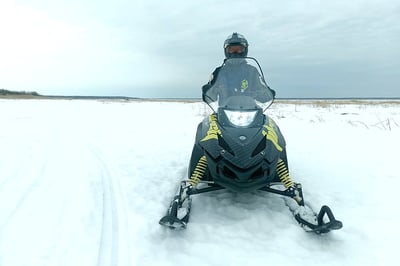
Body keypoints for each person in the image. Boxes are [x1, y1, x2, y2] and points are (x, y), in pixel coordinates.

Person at [202, 32, 275, 105]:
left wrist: (267, 93)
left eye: (239, 49)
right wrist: (208, 91)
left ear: (245, 50)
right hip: (224, 113)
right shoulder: (219, 72)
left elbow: (263, 94)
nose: (235, 52)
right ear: (226, 51)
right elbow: (211, 97)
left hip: (249, 112)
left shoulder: (252, 72)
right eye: (232, 50)